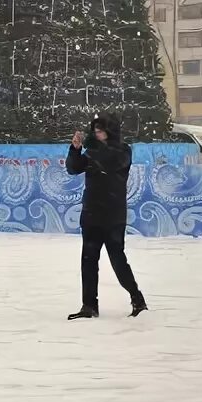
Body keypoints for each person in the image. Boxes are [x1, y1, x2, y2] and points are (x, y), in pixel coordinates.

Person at [65, 114, 147, 319]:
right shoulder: (91, 152)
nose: (97, 134)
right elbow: (73, 168)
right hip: (92, 213)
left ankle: (137, 299)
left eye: (100, 130)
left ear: (110, 131)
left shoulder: (123, 150)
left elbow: (110, 163)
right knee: (88, 260)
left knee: (117, 259)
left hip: (113, 215)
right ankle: (89, 305)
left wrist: (91, 151)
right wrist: (75, 149)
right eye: (95, 131)